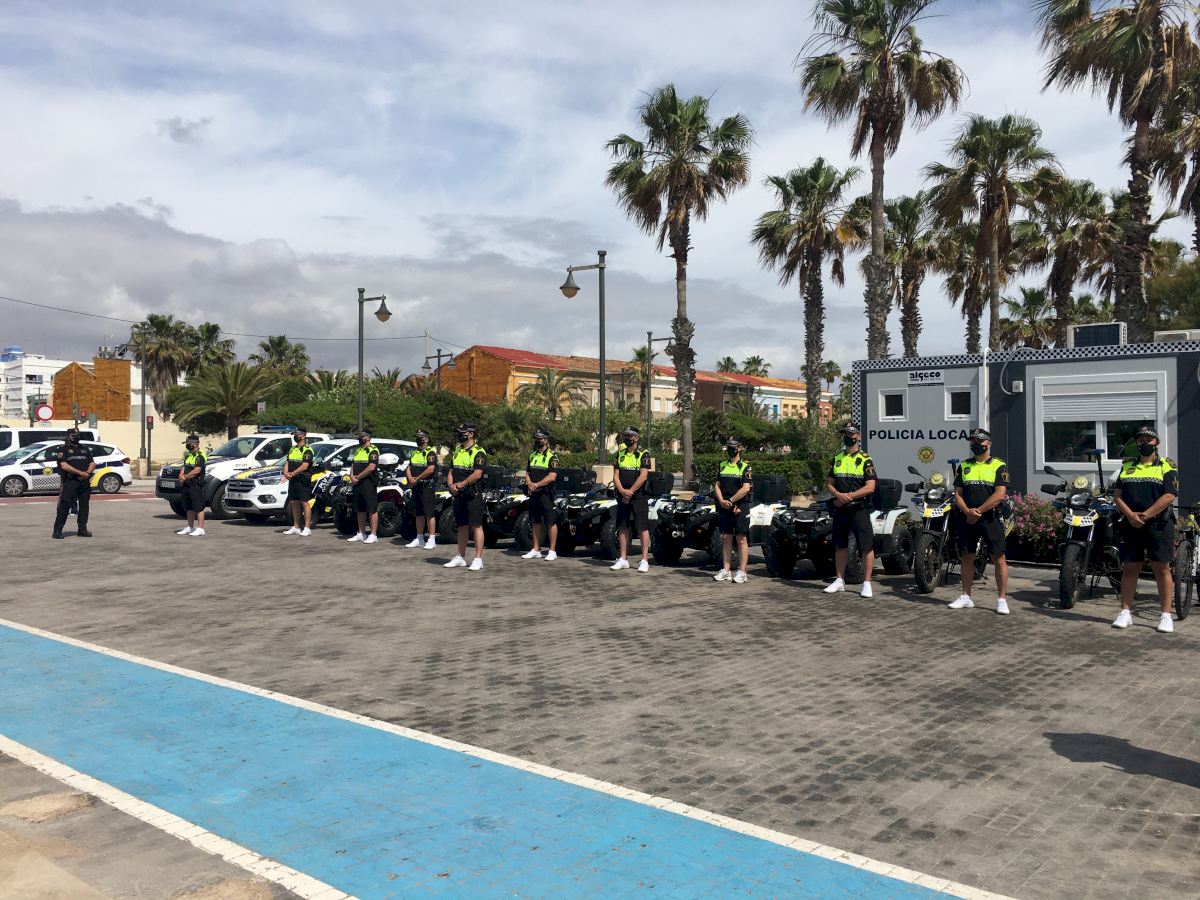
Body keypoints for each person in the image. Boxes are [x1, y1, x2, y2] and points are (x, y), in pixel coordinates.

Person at [1112, 425, 1179, 633]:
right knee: (1130, 568)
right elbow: (1117, 496)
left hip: (1158, 524)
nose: (1144, 444)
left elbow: (1169, 495)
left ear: (1156, 443)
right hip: (1131, 524)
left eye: (1148, 440)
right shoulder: (1127, 465)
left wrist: (1145, 515)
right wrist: (1131, 516)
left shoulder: (1166, 465)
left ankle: (1166, 616)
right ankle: (1125, 612)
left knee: (1161, 569)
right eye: (1140, 440)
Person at [948, 428, 1010, 614]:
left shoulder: (999, 465)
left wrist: (979, 511)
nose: (975, 445)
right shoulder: (964, 466)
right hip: (967, 518)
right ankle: (966, 596)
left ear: (988, 443)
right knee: (966, 556)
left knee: (998, 557)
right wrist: (967, 511)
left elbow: (999, 495)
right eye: (972, 442)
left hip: (990, 518)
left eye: (979, 442)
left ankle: (1002, 600)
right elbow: (958, 494)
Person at [824, 422, 878, 598]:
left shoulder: (865, 459)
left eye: (851, 434)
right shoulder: (837, 458)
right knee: (840, 545)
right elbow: (829, 484)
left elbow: (870, 487)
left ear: (858, 437)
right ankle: (839, 580)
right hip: (840, 508)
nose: (848, 437)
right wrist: (838, 495)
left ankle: (867, 583)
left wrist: (850, 496)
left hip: (859, 508)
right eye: (845, 434)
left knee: (866, 546)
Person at [444, 423, 487, 571]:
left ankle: (478, 559)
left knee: (476, 526)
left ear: (471, 434)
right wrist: (451, 486)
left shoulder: (479, 452)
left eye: (463, 432)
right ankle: (460, 557)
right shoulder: (458, 450)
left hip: (472, 494)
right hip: (458, 494)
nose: (460, 434)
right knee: (461, 525)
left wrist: (462, 484)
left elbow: (477, 474)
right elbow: (451, 471)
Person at [611, 426, 651, 573]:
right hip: (622, 495)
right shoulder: (619, 454)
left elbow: (643, 476)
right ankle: (623, 558)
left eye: (630, 436)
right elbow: (616, 476)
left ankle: (644, 560)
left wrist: (630, 492)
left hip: (639, 496)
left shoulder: (643, 454)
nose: (627, 438)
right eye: (626, 435)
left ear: (636, 438)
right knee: (622, 526)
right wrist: (622, 491)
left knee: (642, 527)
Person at [713, 438, 752, 583]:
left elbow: (746, 488)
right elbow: (717, 485)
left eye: (732, 448)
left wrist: (731, 501)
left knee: (741, 538)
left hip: (740, 506)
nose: (730, 451)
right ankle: (726, 570)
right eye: (728, 448)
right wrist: (721, 500)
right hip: (724, 506)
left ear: (739, 449)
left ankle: (742, 572)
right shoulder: (722, 465)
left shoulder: (745, 467)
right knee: (726, 537)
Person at [523, 428, 559, 561]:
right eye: (536, 439)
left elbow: (552, 476)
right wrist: (529, 484)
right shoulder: (532, 455)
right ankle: (535, 549)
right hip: (534, 493)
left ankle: (552, 550)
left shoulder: (552, 456)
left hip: (546, 494)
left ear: (546, 440)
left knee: (551, 521)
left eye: (540, 439)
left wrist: (537, 485)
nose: (538, 441)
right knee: (534, 521)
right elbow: (527, 473)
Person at [52, 427, 94, 539]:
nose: (76, 438)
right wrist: (80, 473)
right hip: (70, 481)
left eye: (78, 436)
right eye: (74, 436)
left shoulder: (84, 448)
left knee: (84, 506)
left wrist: (87, 473)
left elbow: (92, 463)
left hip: (84, 482)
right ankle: (57, 531)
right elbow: (64, 465)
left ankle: (82, 529)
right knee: (64, 506)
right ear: (68, 436)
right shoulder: (63, 449)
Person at [405, 430, 439, 549]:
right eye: (417, 437)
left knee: (429, 513)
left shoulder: (430, 452)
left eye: (420, 437)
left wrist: (417, 478)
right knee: (418, 513)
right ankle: (419, 538)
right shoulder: (414, 452)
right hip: (416, 486)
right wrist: (410, 478)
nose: (418, 440)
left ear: (426, 439)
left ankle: (432, 539)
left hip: (427, 486)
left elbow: (430, 469)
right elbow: (409, 467)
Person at [347, 430, 380, 544]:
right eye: (359, 436)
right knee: (359, 508)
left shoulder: (373, 450)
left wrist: (358, 477)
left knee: (371, 508)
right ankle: (361, 533)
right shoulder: (358, 450)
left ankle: (373, 534)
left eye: (362, 436)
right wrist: (351, 476)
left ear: (368, 437)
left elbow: (371, 467)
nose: (360, 438)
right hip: (357, 483)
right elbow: (353, 464)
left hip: (368, 482)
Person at [282, 428, 314, 536]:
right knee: (293, 502)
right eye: (294, 435)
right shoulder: (292, 448)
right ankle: (296, 527)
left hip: (303, 478)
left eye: (297, 435)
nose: (295, 437)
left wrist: (291, 474)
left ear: (303, 436)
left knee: (304, 502)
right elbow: (288, 462)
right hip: (293, 479)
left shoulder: (307, 450)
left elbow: (304, 466)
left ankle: (307, 528)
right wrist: (286, 473)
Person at [176, 434, 207, 537]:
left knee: (198, 507)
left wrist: (185, 477)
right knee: (189, 507)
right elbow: (184, 467)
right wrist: (181, 476)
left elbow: (197, 470)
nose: (188, 445)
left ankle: (200, 528)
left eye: (189, 443)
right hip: (187, 484)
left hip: (196, 484)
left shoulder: (200, 455)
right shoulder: (188, 455)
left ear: (196, 443)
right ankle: (190, 527)